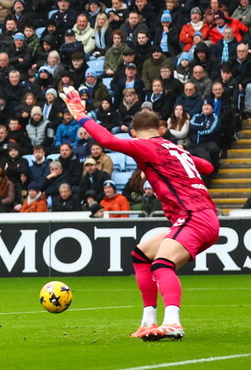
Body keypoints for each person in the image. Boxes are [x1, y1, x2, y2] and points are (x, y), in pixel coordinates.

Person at [63, 87, 219, 341]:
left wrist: (82, 115)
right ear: (161, 128)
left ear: (134, 133)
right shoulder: (172, 148)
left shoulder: (147, 147)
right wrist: (182, 158)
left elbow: (108, 141)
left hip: (194, 217)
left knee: (162, 264)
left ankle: (172, 323)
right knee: (141, 255)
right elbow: (208, 166)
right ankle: (148, 321)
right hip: (199, 216)